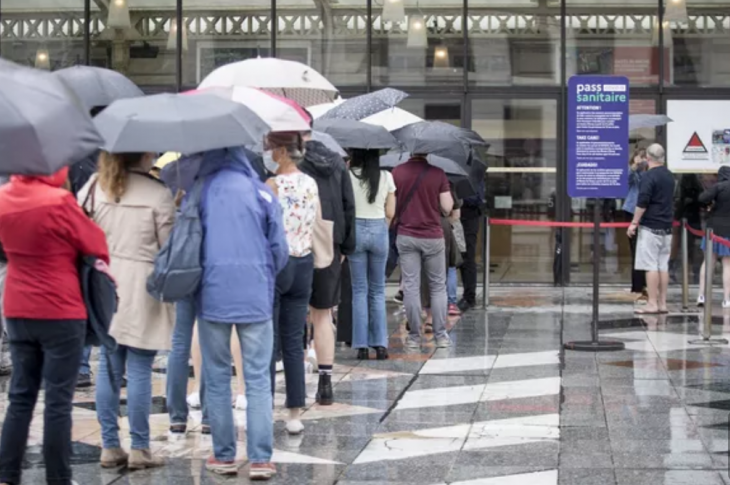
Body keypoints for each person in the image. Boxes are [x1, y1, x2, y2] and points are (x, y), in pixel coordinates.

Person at [0, 167, 109, 485]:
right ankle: (58, 477)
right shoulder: (59, 201)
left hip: (18, 306)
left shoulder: (4, 198)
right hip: (60, 308)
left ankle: (7, 474)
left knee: (20, 395)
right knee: (58, 401)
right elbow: (97, 245)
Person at [77, 152, 175, 470]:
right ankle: (140, 448)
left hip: (102, 284)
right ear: (144, 154)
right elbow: (169, 249)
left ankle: (109, 446)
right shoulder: (157, 193)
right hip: (143, 287)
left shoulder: (94, 186)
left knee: (108, 367)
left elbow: (77, 236)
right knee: (139, 370)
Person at [195, 147, 288, 479]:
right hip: (256, 296)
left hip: (212, 294)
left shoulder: (201, 192)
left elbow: (189, 241)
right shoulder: (262, 192)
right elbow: (280, 248)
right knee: (258, 377)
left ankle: (223, 456)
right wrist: (264, 274)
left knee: (218, 376)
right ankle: (261, 458)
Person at [265, 132, 320, 435]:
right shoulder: (310, 183)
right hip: (304, 262)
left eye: (272, 148)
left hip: (277, 263)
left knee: (267, 342)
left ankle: (265, 406)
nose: (269, 153)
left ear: (283, 151)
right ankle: (295, 413)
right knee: (294, 342)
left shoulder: (272, 185)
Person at [299, 132, 356, 404]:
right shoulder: (335, 162)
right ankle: (325, 382)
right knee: (323, 315)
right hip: (329, 242)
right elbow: (348, 205)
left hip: (293, 241)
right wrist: (345, 246)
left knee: (291, 312)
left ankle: (295, 375)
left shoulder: (286, 161)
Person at [393, 154, 454, 348]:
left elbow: (392, 207)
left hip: (406, 235)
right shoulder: (438, 173)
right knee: (437, 286)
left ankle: (413, 337)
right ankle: (441, 336)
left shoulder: (397, 172)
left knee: (411, 286)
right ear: (428, 152)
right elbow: (447, 207)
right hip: (433, 237)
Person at [348, 149, 396, 360]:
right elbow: (390, 212)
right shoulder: (386, 176)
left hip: (355, 230)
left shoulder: (348, 175)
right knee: (377, 289)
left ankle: (361, 346)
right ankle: (381, 344)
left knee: (359, 290)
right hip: (379, 229)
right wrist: (382, 227)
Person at [627, 143, 675, 315]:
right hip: (666, 227)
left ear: (648, 158)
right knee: (663, 266)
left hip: (650, 226)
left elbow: (642, 202)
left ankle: (652, 303)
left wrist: (634, 222)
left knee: (651, 266)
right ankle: (662, 303)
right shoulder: (669, 176)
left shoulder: (648, 176)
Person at [697, 166, 730, 307]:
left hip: (713, 229)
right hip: (729, 230)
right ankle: (727, 299)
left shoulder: (718, 187)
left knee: (708, 262)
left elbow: (702, 198)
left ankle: (701, 296)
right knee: (727, 265)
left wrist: (711, 203)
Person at [458, 172, 485, 312]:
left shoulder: (474, 173)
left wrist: (459, 197)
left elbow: (477, 198)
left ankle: (469, 297)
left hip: (468, 218)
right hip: (451, 216)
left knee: (467, 257)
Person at [624, 148, 647, 300]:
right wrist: (634, 166)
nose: (642, 160)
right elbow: (626, 180)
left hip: (646, 213)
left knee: (645, 251)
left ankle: (643, 284)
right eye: (640, 157)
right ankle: (636, 286)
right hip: (632, 210)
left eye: (644, 157)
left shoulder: (649, 173)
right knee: (635, 250)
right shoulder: (633, 171)